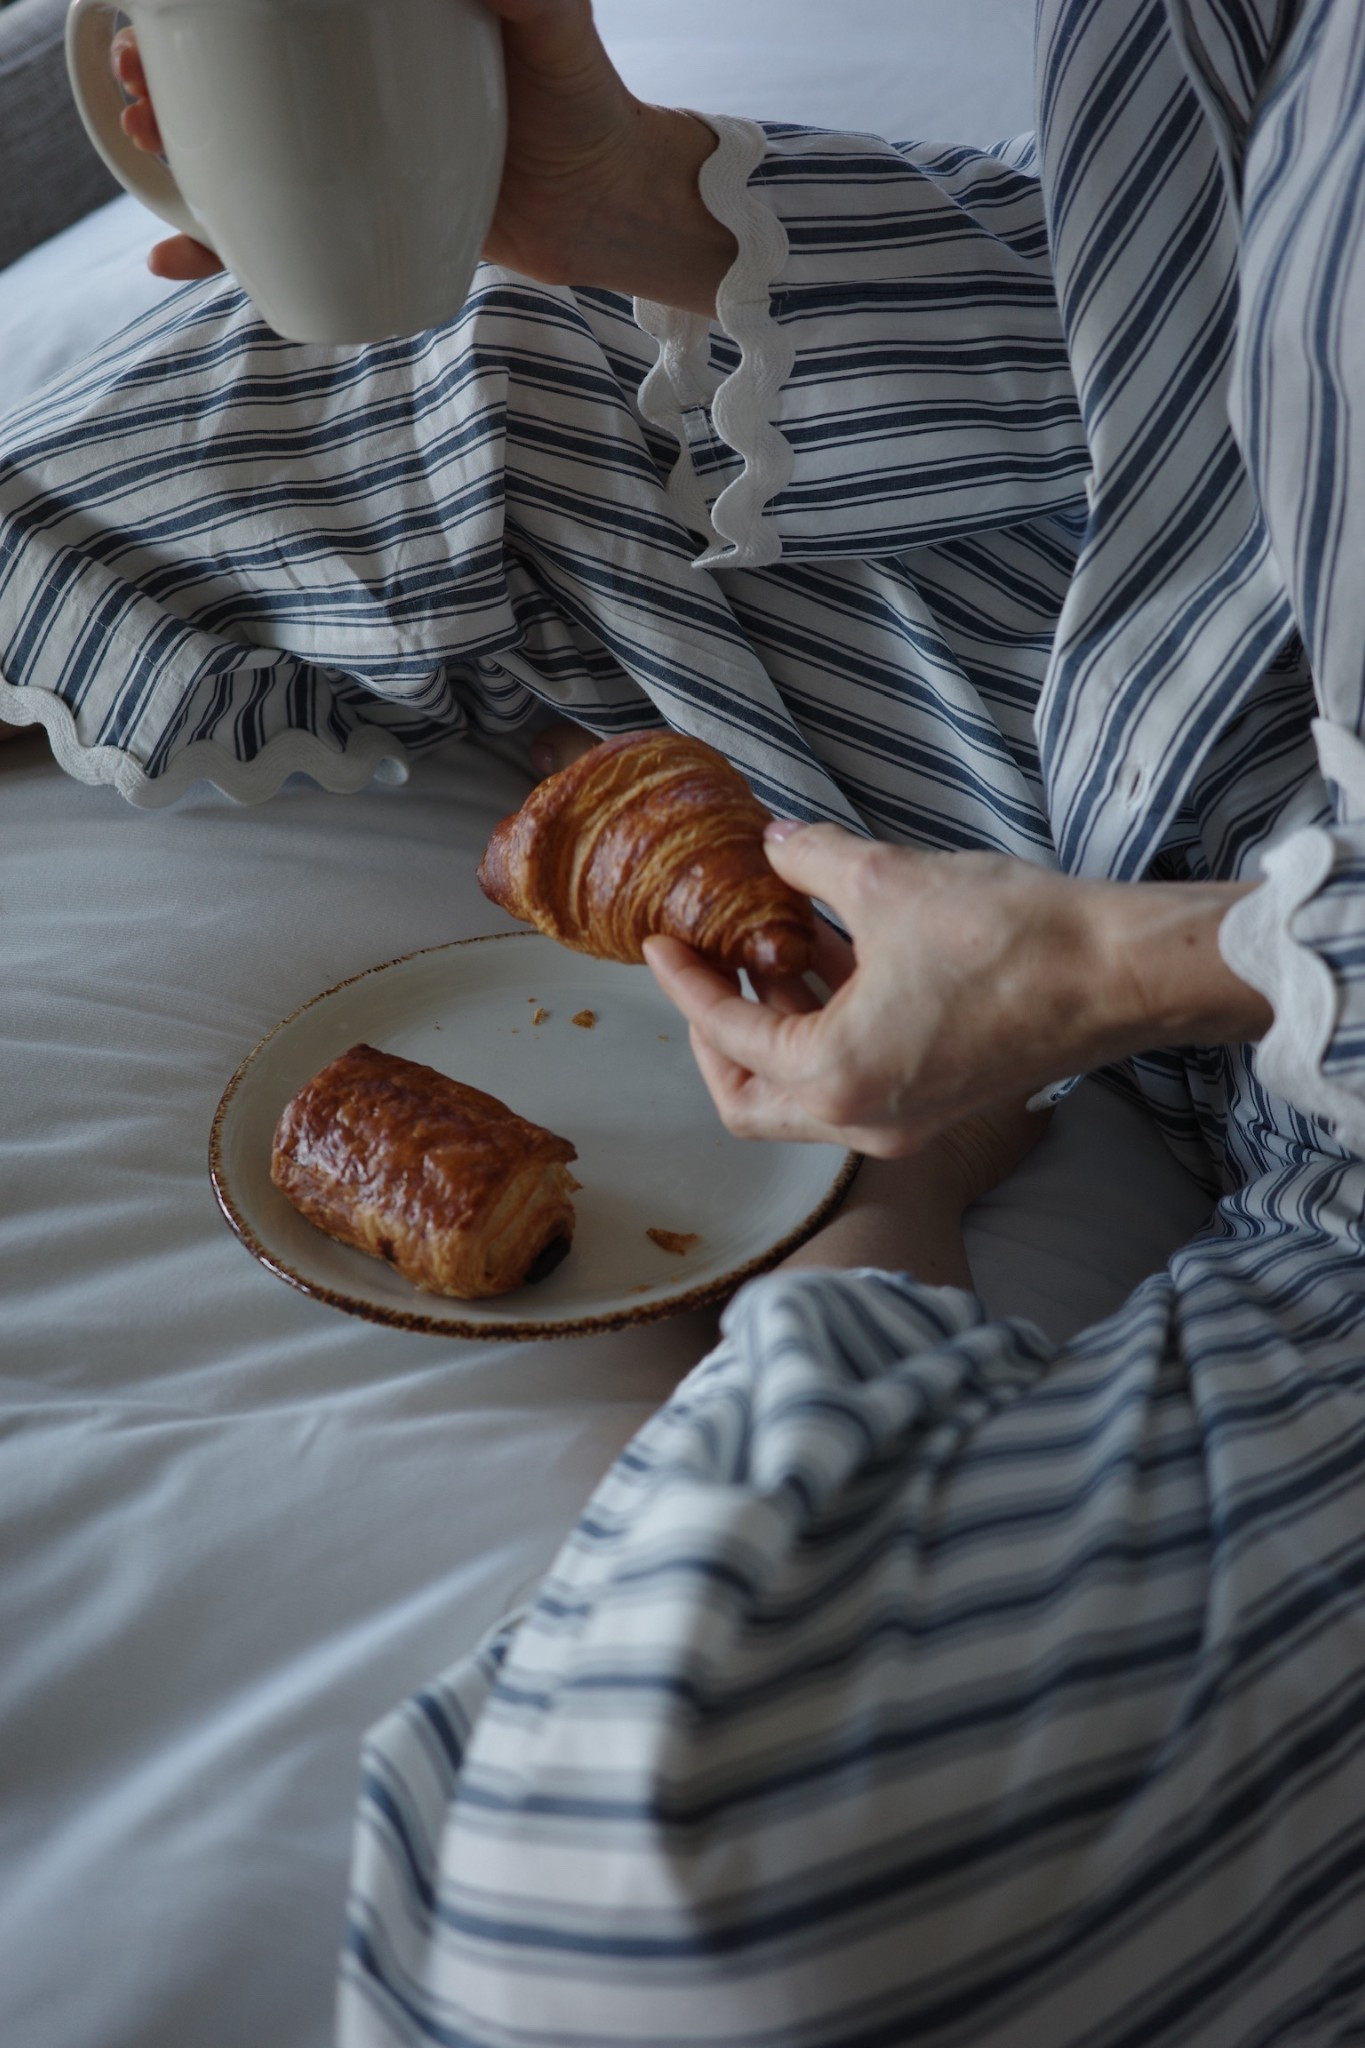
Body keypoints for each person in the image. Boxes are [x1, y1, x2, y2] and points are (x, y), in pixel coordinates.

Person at [4, 1, 1365, 2041]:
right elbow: (1228, 323)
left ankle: (895, 1174)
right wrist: (646, 211)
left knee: (684, 1901)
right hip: (1195, 665)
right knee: (424, 371)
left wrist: (1123, 967)